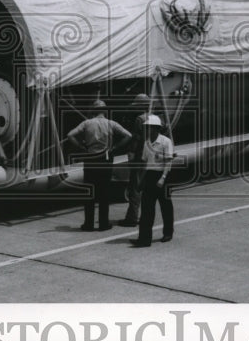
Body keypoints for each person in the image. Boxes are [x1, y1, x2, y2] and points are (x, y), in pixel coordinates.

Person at [65, 99, 132, 232]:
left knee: (90, 192)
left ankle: (88, 224)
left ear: (94, 111)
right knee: (104, 192)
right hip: (105, 159)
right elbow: (128, 135)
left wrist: (81, 146)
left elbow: (70, 135)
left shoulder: (87, 123)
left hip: (90, 159)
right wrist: (115, 147)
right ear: (105, 111)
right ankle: (103, 224)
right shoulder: (111, 123)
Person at [132, 114, 174, 247]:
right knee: (147, 209)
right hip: (150, 176)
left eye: (149, 127)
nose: (147, 130)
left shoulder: (166, 142)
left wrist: (162, 178)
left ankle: (168, 233)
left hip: (163, 176)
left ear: (156, 128)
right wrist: (140, 181)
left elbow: (168, 162)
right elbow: (145, 164)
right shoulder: (147, 143)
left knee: (166, 206)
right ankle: (144, 239)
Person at [118, 93, 151, 227]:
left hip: (140, 157)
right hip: (152, 156)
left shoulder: (140, 119)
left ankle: (132, 218)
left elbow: (136, 139)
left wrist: (131, 152)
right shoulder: (156, 118)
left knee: (135, 188)